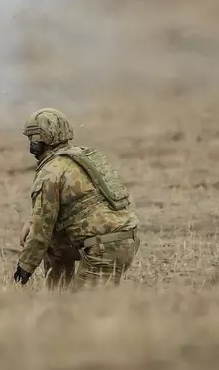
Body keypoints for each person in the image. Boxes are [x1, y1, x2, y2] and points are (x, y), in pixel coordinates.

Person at [14, 108, 140, 290]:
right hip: (124, 238)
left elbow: (40, 233)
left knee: (84, 307)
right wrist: (32, 221)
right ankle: (58, 296)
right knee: (54, 246)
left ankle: (63, 301)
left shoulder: (50, 172)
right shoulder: (82, 156)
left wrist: (23, 271)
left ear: (40, 140)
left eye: (31, 138)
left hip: (104, 249)